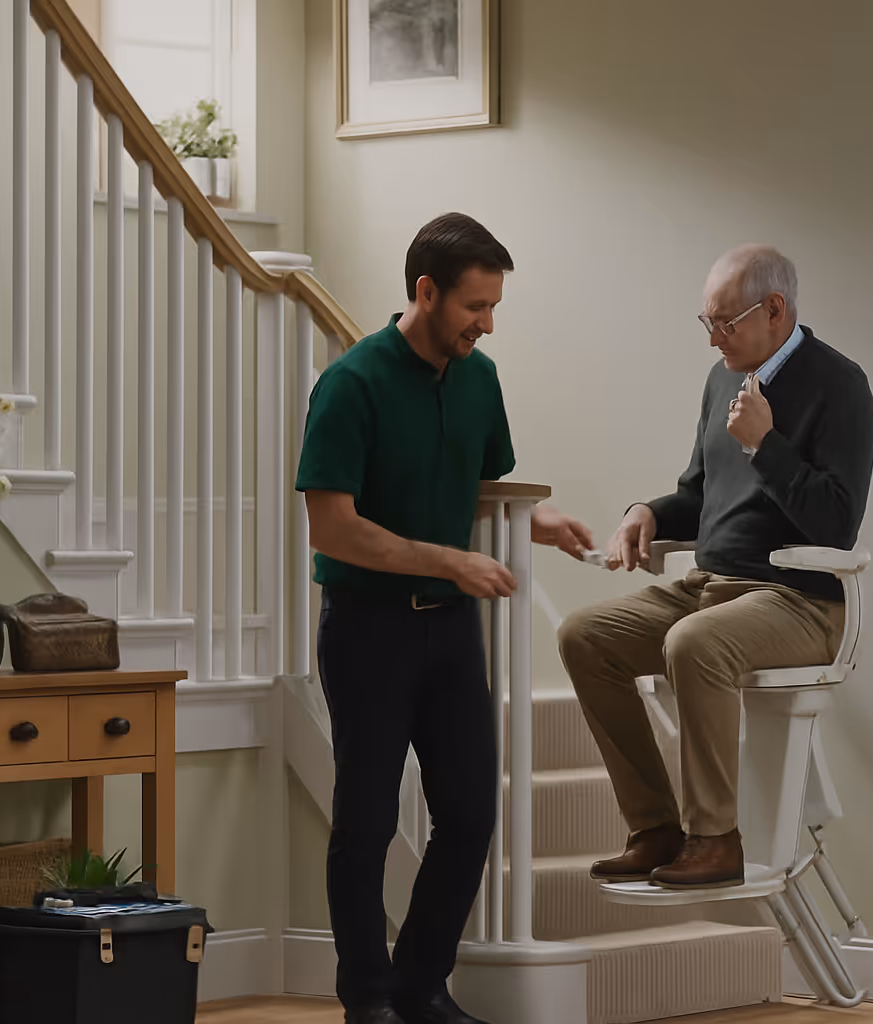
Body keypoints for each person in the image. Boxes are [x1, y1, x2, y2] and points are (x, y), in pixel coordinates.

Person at [297, 213, 593, 1024]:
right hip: (368, 628)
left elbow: (480, 489)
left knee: (470, 813)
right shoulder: (352, 383)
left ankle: (422, 984)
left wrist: (543, 520)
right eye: (474, 306)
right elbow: (333, 526)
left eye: (494, 306)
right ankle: (368, 1000)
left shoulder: (479, 378)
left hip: (450, 634)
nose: (487, 324)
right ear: (424, 291)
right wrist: (447, 559)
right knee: (365, 820)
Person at [557, 245, 873, 891]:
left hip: (802, 602)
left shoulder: (840, 385)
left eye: (726, 323)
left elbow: (836, 525)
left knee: (693, 642)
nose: (714, 340)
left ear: (776, 310)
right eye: (707, 323)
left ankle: (714, 839)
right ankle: (655, 829)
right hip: (710, 589)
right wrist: (647, 511)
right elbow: (700, 496)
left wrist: (765, 443)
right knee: (583, 636)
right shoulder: (723, 380)